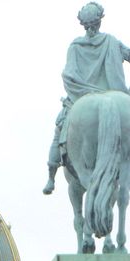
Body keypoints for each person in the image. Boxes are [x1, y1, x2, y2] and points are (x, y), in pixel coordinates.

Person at [43, 2, 130, 194]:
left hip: (80, 97)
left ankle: (51, 177)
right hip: (115, 94)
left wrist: (82, 89)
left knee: (59, 130)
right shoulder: (111, 41)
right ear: (100, 21)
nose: (90, 28)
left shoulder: (75, 46)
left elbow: (69, 75)